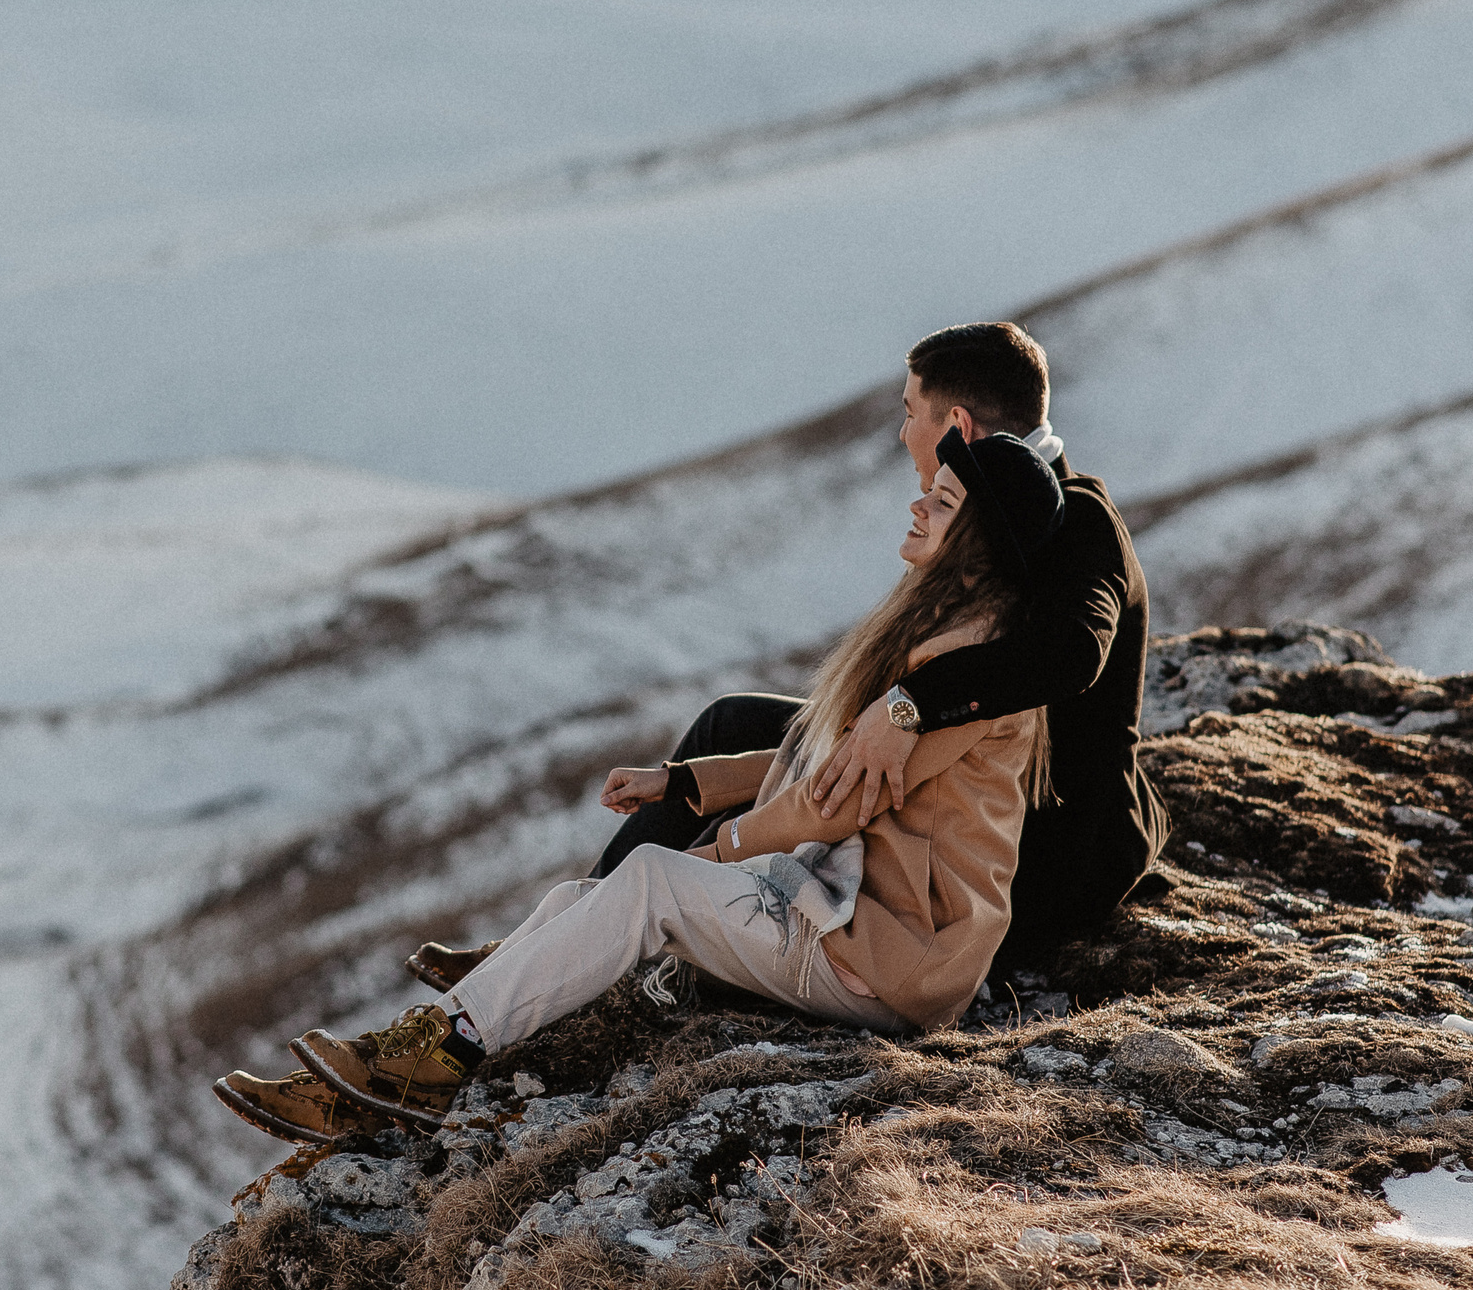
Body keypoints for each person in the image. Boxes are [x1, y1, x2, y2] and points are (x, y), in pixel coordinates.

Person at [212, 427, 1063, 1143]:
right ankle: (402, 1067)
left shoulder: (962, 672)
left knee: (650, 881)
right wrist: (689, 781)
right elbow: (818, 755)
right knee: (572, 900)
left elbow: (833, 799)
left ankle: (429, 1062)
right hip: (847, 908)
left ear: (979, 546)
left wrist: (720, 844)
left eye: (944, 502)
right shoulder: (942, 640)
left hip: (889, 955)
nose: (919, 501)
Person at [583, 321, 1163, 975]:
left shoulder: (1080, 519)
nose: (901, 432)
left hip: (1033, 849)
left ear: (958, 427)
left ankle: (607, 936)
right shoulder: (976, 501)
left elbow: (1072, 653)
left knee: (797, 768)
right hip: (951, 768)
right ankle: (585, 920)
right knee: (734, 721)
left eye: (911, 412)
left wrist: (908, 705)